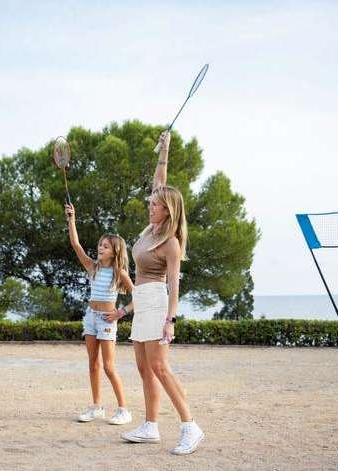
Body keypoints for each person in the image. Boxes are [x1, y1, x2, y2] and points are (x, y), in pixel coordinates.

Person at [121, 131, 204, 455]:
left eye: (155, 205)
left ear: (167, 210)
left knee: (159, 367)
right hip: (142, 302)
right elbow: (160, 179)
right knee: (144, 368)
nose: (150, 206)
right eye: (151, 203)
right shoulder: (148, 231)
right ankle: (151, 426)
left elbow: (174, 284)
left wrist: (170, 319)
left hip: (156, 302)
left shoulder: (170, 242)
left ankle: (190, 426)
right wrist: (164, 149)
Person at [64, 202, 133, 426]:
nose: (100, 248)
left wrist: (121, 312)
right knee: (93, 364)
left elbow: (138, 297)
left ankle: (124, 410)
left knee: (109, 366)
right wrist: (71, 219)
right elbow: (75, 244)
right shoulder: (93, 267)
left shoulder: (119, 273)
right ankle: (96, 407)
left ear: (115, 251)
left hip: (106, 320)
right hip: (91, 318)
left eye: (105, 246)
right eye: (100, 245)